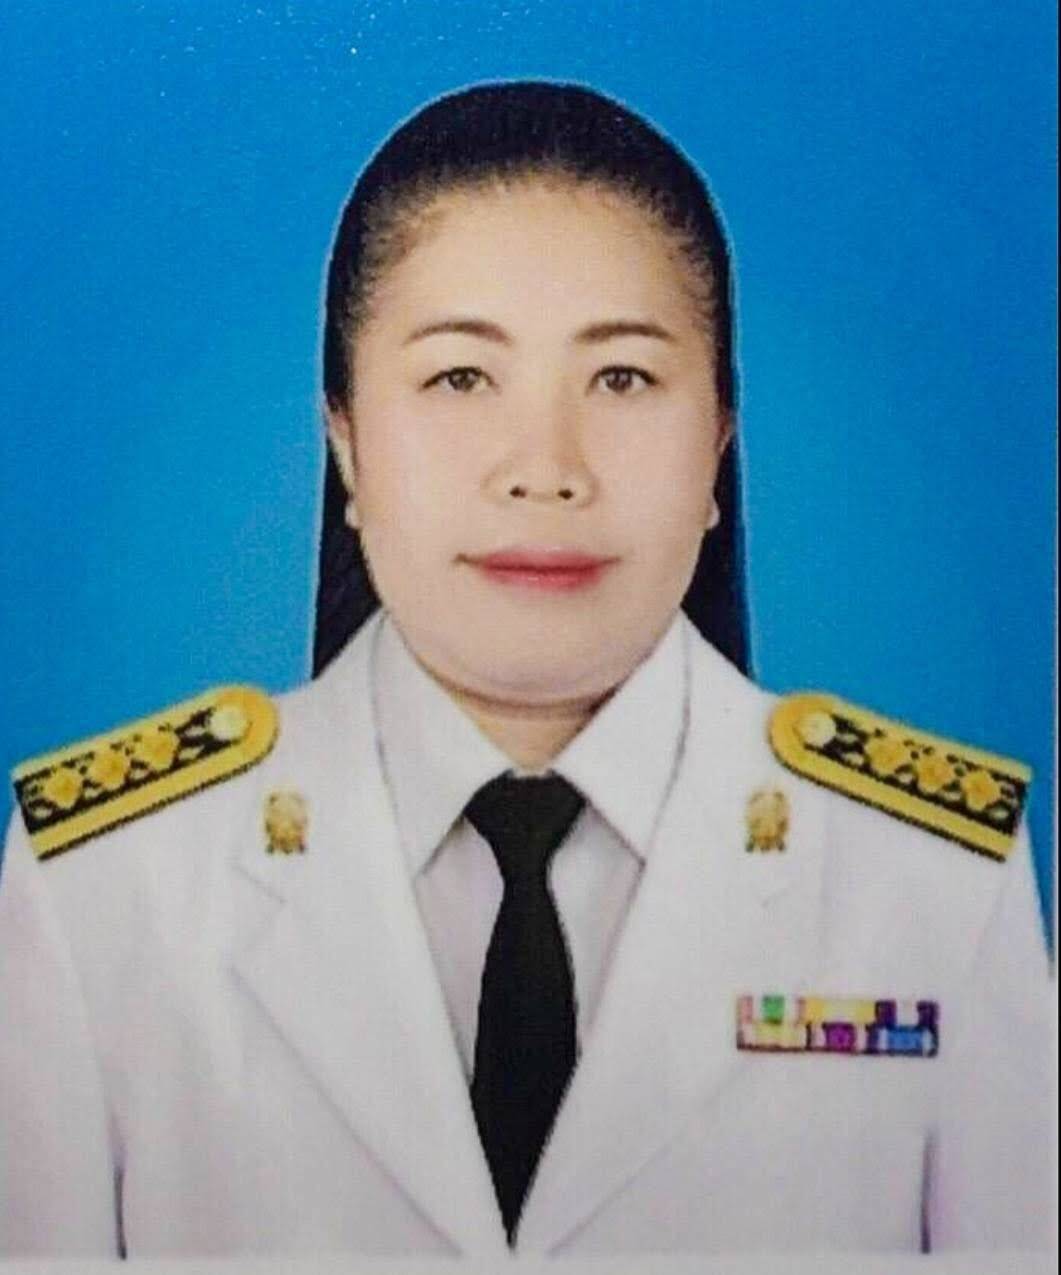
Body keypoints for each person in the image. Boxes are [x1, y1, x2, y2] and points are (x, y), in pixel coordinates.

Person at [0, 82, 1052, 1259]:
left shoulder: (928, 882)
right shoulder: (108, 887)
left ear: (717, 440)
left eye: (621, 379)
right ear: (346, 440)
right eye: (459, 378)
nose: (544, 469)